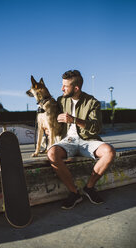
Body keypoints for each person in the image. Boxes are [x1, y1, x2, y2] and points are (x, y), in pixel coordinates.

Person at [47, 70, 116, 210]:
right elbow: (50, 111)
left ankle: (89, 188)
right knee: (52, 154)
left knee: (109, 152)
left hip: (88, 140)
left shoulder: (92, 102)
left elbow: (96, 128)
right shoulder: (61, 100)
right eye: (62, 85)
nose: (62, 89)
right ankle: (74, 192)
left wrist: (74, 120)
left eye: (65, 86)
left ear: (76, 88)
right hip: (69, 140)